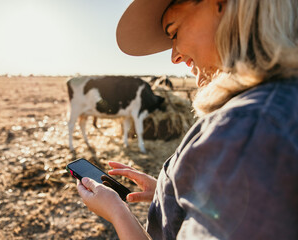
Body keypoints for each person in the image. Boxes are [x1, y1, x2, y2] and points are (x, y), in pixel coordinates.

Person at [76, 0, 298, 239]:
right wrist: (171, 192)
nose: (174, 57)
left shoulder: (247, 131)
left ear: (221, 5)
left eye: (174, 31)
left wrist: (118, 212)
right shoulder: (280, 104)